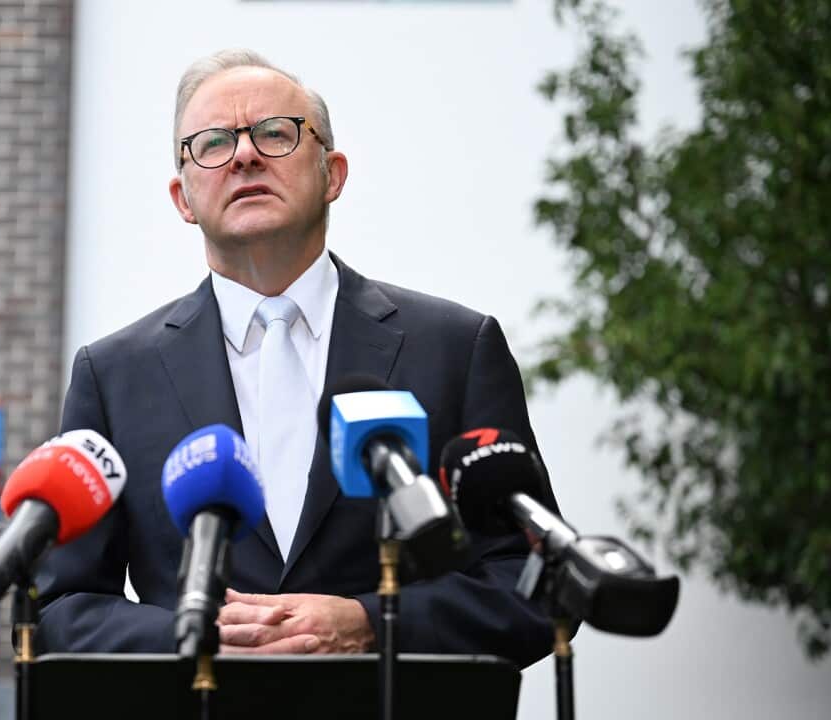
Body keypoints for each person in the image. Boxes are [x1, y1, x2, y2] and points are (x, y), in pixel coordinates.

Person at [33, 49, 558, 667]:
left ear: (332, 174)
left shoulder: (453, 348)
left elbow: (534, 581)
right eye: (213, 143)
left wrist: (372, 622)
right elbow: (58, 606)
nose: (246, 154)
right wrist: (194, 636)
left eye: (276, 133)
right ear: (183, 197)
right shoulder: (115, 375)